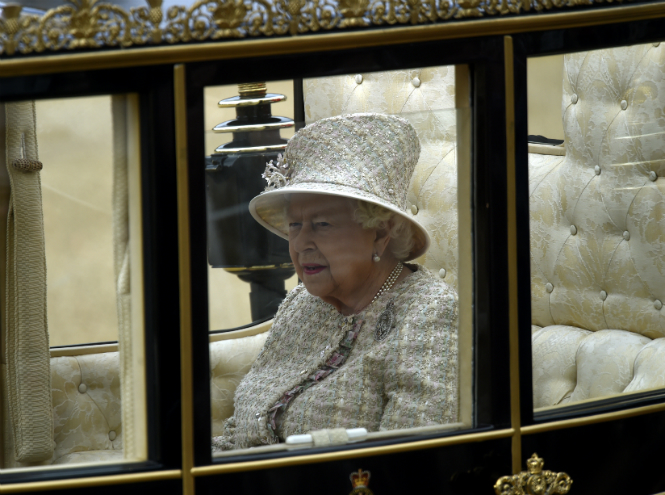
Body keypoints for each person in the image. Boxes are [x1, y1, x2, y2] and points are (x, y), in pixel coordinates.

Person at [213, 113, 458, 451]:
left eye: (322, 224)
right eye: (295, 225)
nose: (300, 244)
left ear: (380, 233)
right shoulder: (303, 303)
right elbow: (237, 436)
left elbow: (410, 463)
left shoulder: (430, 314)